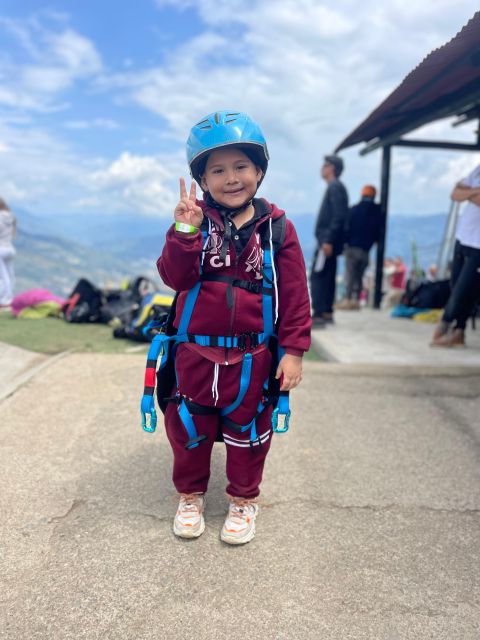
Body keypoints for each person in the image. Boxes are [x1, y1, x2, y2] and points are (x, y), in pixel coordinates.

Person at [156, 110, 311, 544]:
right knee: (189, 426)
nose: (231, 178)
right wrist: (184, 231)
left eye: (241, 166)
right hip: (195, 353)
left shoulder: (277, 228)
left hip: (253, 356)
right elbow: (176, 278)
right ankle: (190, 495)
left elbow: (296, 293)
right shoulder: (193, 223)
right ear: (203, 180)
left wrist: (293, 350)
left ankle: (244, 500)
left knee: (249, 431)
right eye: (218, 170)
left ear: (259, 171)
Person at [431, 164, 480, 348]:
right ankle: (458, 332)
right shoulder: (478, 169)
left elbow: (463, 194)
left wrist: (467, 192)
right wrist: (473, 192)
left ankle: (447, 324)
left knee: (465, 289)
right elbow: (454, 194)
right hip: (463, 237)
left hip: (478, 244)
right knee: (455, 284)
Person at [311, 154, 349, 327]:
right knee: (327, 275)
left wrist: (328, 240)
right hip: (329, 240)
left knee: (319, 276)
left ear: (331, 168)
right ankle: (326, 312)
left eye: (325, 165)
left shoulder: (335, 187)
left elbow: (338, 216)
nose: (321, 168)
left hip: (327, 241)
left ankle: (319, 313)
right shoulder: (336, 187)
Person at [336, 184, 381, 310]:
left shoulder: (354, 210)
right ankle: (356, 299)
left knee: (350, 275)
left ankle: (348, 299)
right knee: (359, 276)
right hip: (365, 250)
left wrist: (343, 244)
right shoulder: (377, 212)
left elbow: (346, 228)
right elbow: (378, 232)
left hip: (352, 248)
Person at [0, 198, 16, 308]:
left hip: (0, 249)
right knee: (10, 274)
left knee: (3, 275)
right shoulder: (11, 216)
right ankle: (9, 298)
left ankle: (4, 300)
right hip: (10, 248)